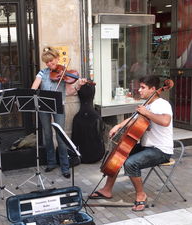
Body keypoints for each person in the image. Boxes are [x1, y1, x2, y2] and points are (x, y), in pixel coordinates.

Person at [89, 75, 173, 212]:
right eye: (140, 87)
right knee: (119, 154)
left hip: (161, 150)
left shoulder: (162, 104)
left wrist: (147, 113)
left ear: (153, 89)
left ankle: (141, 194)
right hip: (147, 147)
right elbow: (133, 120)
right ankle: (107, 189)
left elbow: (165, 121)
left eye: (143, 87)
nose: (139, 90)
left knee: (131, 163)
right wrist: (117, 126)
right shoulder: (146, 104)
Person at [31, 46, 87, 178]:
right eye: (47, 62)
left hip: (58, 106)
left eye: (52, 61)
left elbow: (70, 91)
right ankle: (51, 162)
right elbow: (33, 87)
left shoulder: (64, 73)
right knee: (47, 134)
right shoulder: (42, 73)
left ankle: (65, 166)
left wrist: (78, 84)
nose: (50, 64)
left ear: (57, 58)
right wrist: (34, 92)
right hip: (44, 106)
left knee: (61, 136)